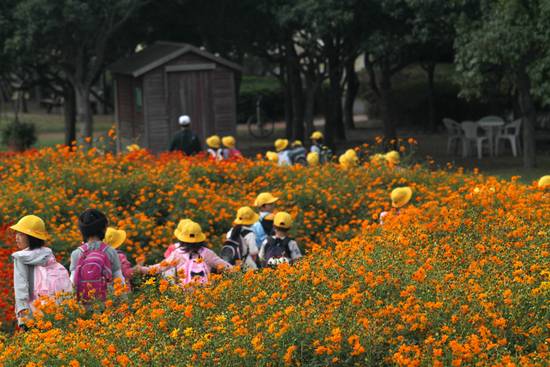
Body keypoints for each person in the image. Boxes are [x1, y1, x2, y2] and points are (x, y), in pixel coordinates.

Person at [10, 215, 71, 329]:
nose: (16, 237)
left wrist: (22, 315)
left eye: (21, 234)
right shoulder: (47, 255)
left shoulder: (21, 258)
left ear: (31, 237)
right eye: (16, 233)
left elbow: (20, 287)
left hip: (31, 314)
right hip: (51, 313)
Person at [135, 221, 231, 285]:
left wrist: (142, 269)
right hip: (205, 297)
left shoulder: (177, 253)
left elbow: (160, 267)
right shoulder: (207, 253)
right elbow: (226, 266)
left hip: (184, 297)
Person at [70, 209, 125, 302]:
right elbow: (119, 281)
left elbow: (72, 283)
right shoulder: (110, 252)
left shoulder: (76, 254)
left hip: (84, 304)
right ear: (104, 229)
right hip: (107, 305)